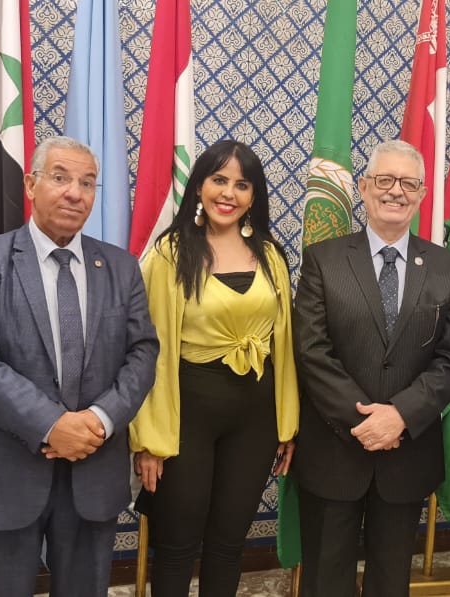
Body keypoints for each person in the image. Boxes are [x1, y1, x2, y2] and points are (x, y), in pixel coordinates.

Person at [0, 136, 159, 596]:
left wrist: (99, 421)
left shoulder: (121, 268)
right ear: (31, 185)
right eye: (60, 178)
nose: (74, 193)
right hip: (7, 475)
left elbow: (143, 353)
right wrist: (52, 424)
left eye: (87, 183)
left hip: (94, 473)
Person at [292, 139, 450, 597]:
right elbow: (311, 351)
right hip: (334, 450)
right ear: (364, 187)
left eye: (408, 183)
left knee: (391, 582)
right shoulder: (323, 260)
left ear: (422, 193)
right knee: (324, 581)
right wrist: (366, 422)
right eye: (385, 180)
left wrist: (399, 417)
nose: (396, 191)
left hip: (406, 454)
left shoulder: (448, 268)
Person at [130, 140, 298, 597]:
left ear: (254, 195)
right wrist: (149, 440)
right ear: (199, 187)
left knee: (229, 542)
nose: (229, 193)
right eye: (219, 180)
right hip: (187, 415)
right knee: (177, 543)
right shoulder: (169, 254)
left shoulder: (271, 256)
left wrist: (288, 423)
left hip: (256, 418)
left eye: (242, 184)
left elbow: (284, 345)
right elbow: (152, 350)